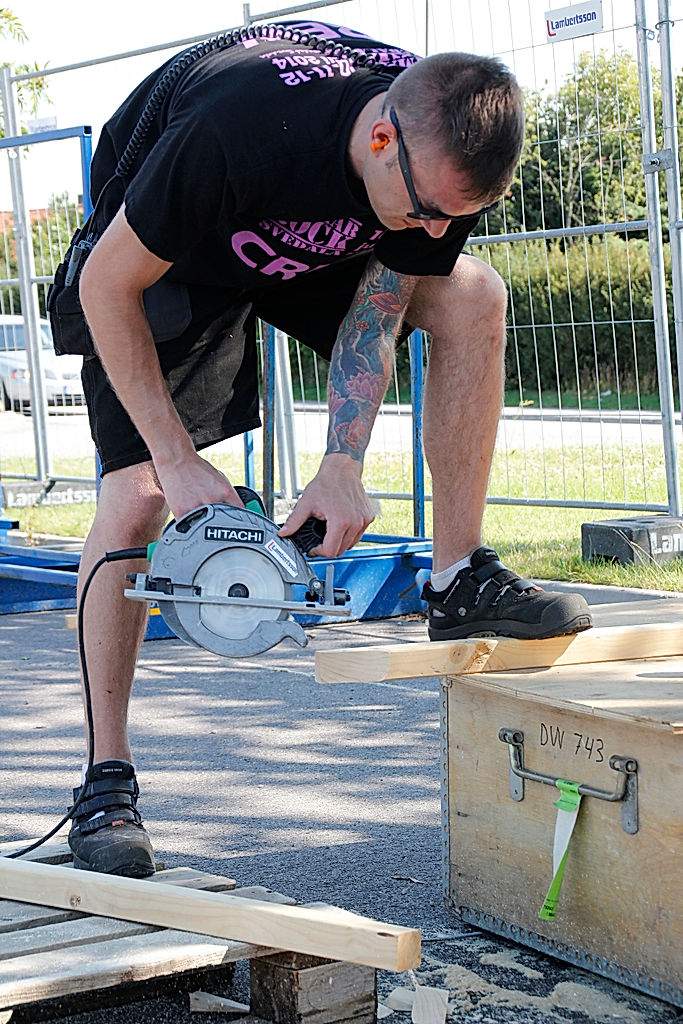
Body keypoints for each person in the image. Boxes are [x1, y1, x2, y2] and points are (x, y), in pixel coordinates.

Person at [65, 21, 592, 878]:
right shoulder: (233, 126)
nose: (432, 228)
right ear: (381, 137)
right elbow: (105, 285)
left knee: (471, 295)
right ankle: (105, 781)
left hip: (298, 244)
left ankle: (456, 576)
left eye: (453, 216)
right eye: (426, 209)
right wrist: (174, 457)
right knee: (136, 496)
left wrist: (341, 461)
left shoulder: (430, 166)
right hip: (172, 257)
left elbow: (381, 302)